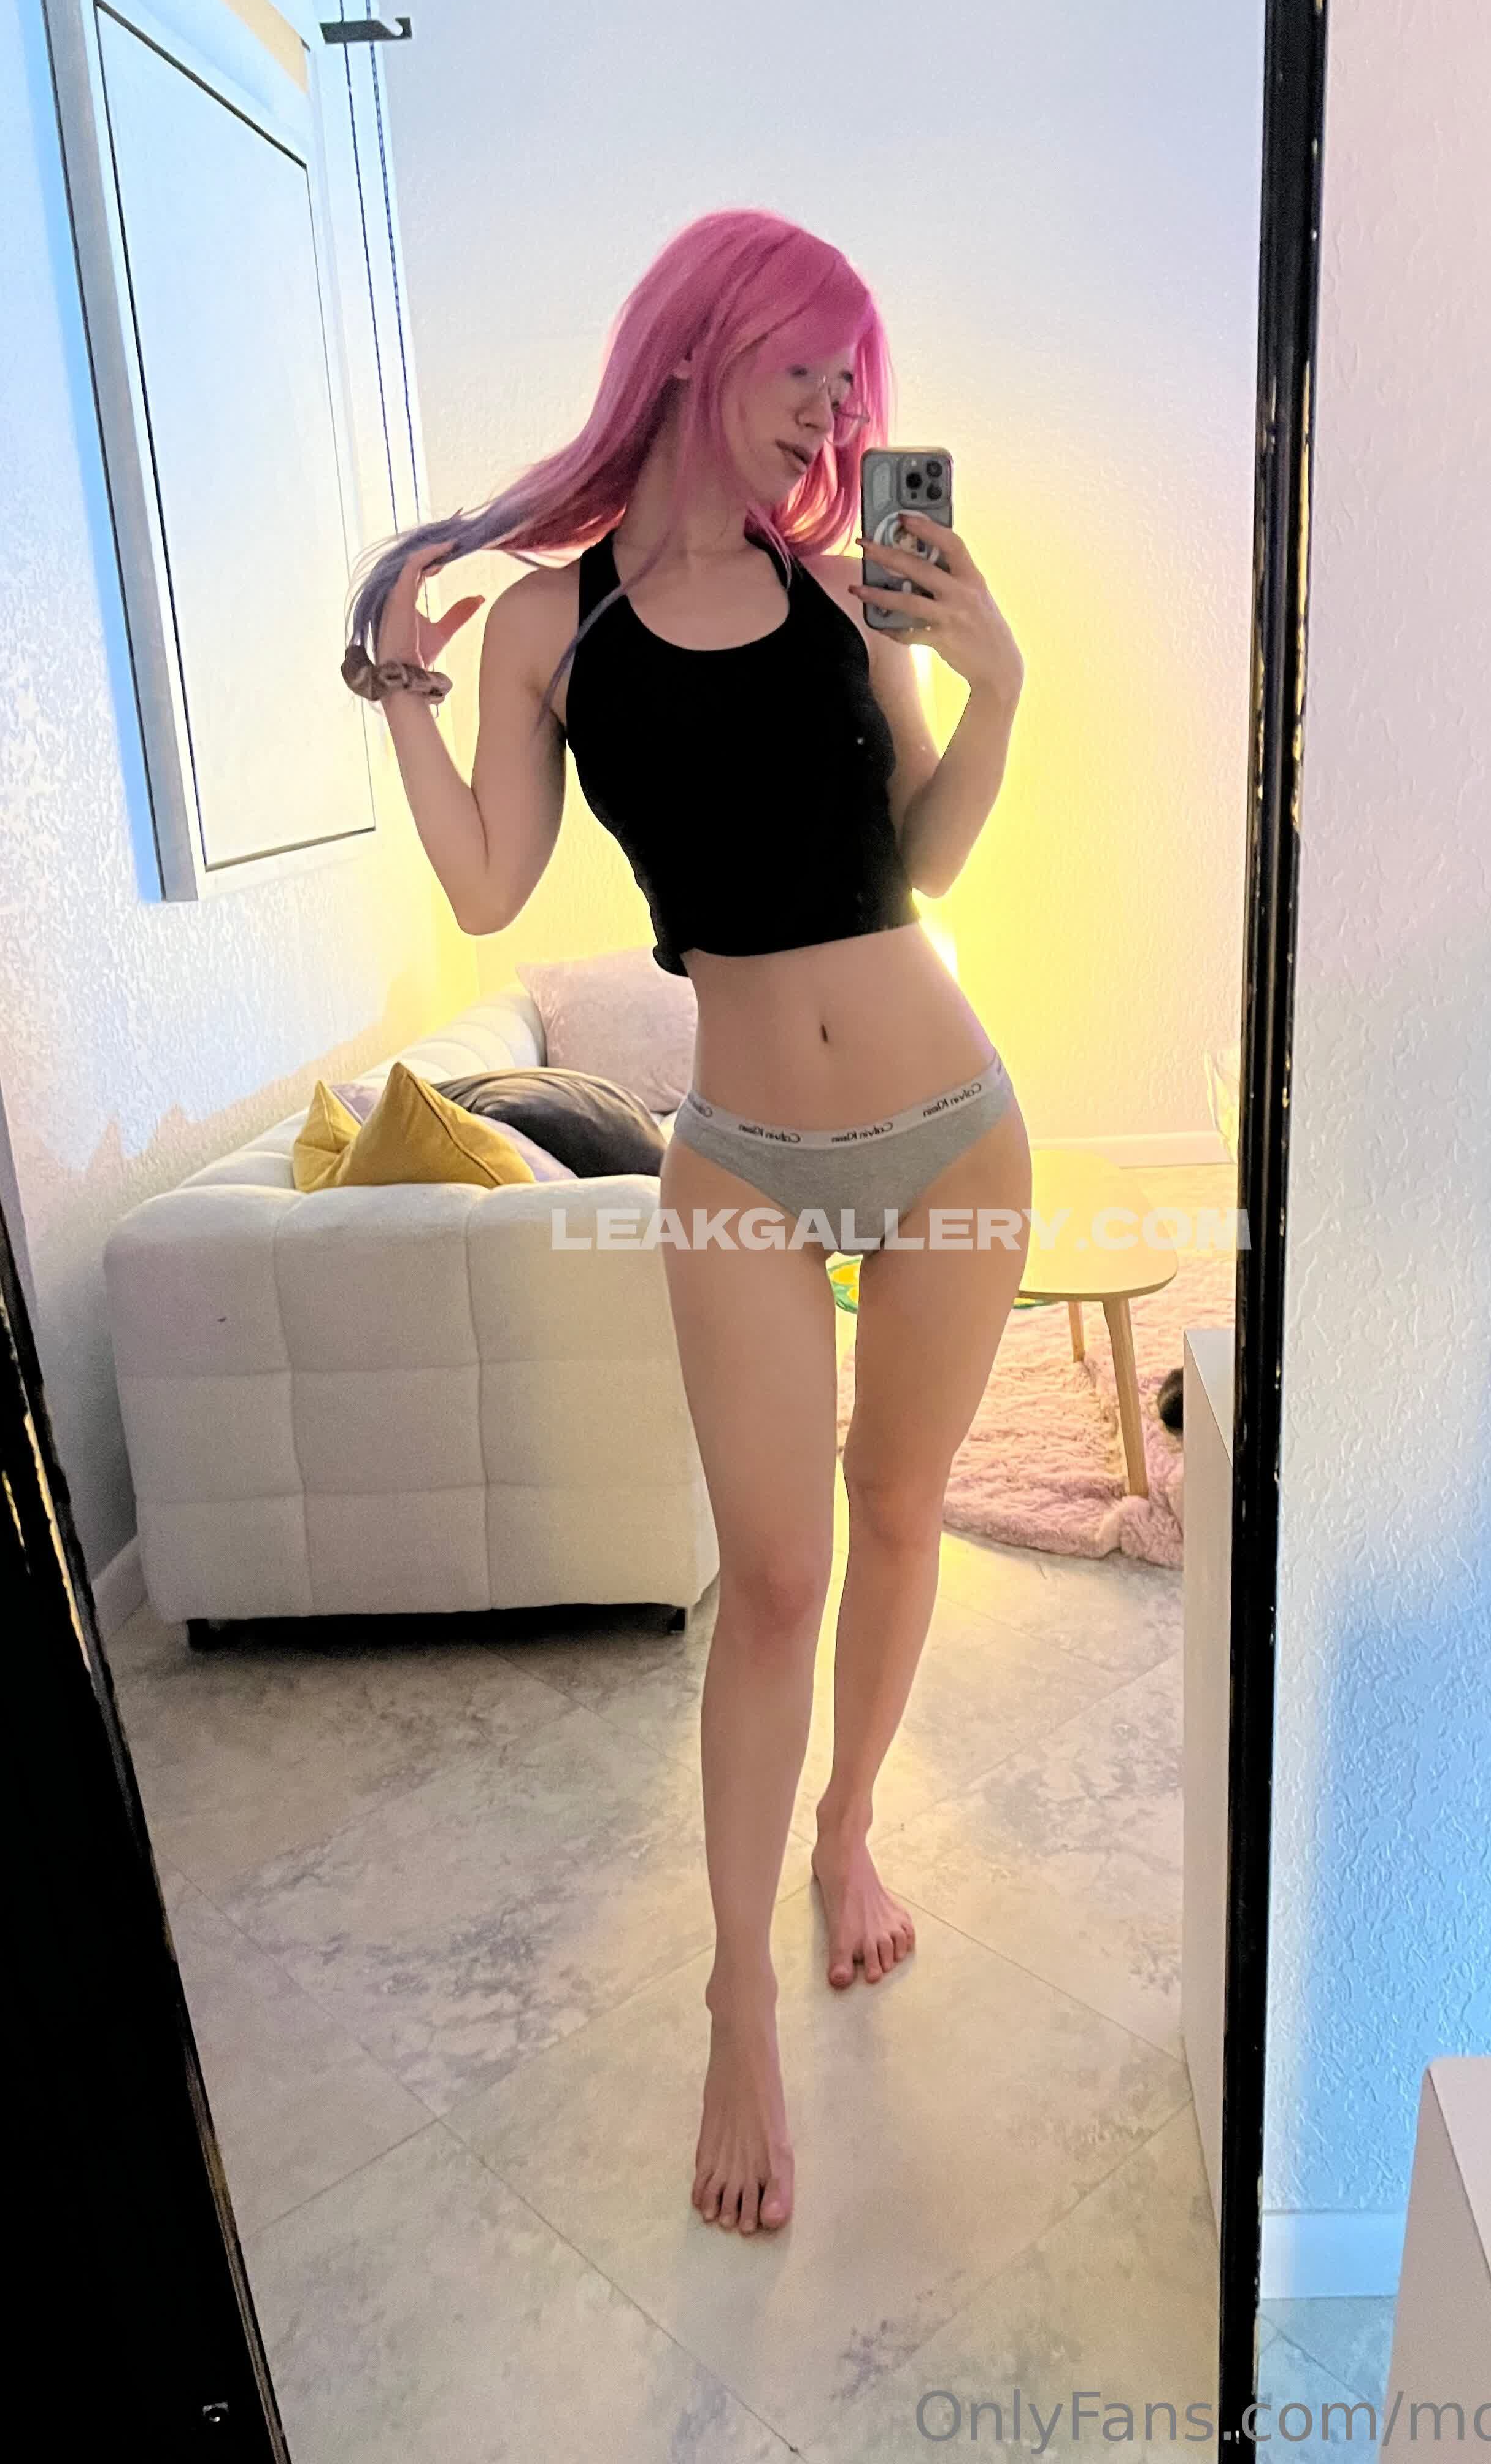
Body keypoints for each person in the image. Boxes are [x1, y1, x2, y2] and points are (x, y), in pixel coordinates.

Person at [341, 209, 1031, 2238]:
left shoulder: (849, 584)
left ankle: (849, 1830)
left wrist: (997, 686)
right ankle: (738, 1992)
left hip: (954, 1133)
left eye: (850, 375)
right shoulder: (553, 630)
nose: (832, 404)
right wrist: (403, 697)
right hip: (740, 1159)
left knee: (900, 1513)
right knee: (775, 1579)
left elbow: (919, 856)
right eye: (801, 361)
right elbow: (488, 883)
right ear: (703, 341)